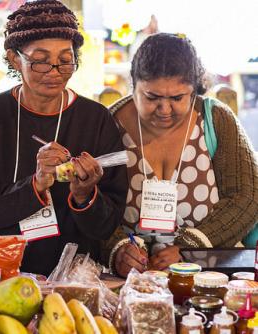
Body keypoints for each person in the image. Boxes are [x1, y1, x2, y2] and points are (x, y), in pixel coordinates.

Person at [0, 0, 128, 276]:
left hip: (72, 274)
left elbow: (107, 225)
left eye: (65, 60)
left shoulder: (95, 119)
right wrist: (36, 184)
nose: (54, 72)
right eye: (40, 61)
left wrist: (85, 196)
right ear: (15, 58)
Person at [106, 33, 258, 277]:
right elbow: (92, 202)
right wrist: (118, 249)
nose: (165, 110)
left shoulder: (215, 120)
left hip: (211, 277)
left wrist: (190, 247)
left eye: (177, 98)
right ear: (133, 85)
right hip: (131, 281)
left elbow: (247, 197)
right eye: (152, 97)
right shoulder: (109, 125)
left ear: (195, 90)